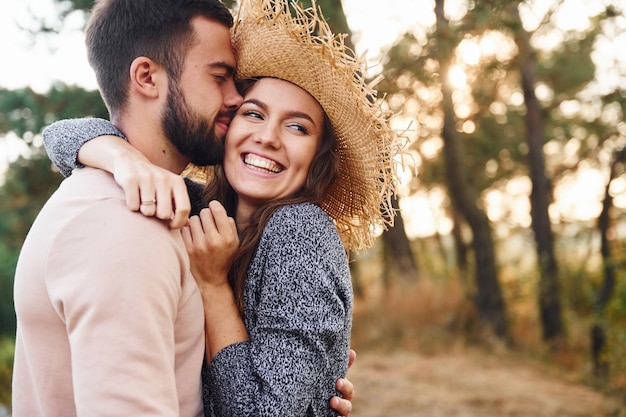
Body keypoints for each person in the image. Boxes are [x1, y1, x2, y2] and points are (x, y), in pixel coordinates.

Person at [41, 0, 400, 415]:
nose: (268, 137)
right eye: (254, 113)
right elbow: (60, 136)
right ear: (229, 127)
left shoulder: (299, 229)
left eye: (297, 126)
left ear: (317, 157)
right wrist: (125, 161)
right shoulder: (200, 210)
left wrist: (213, 288)